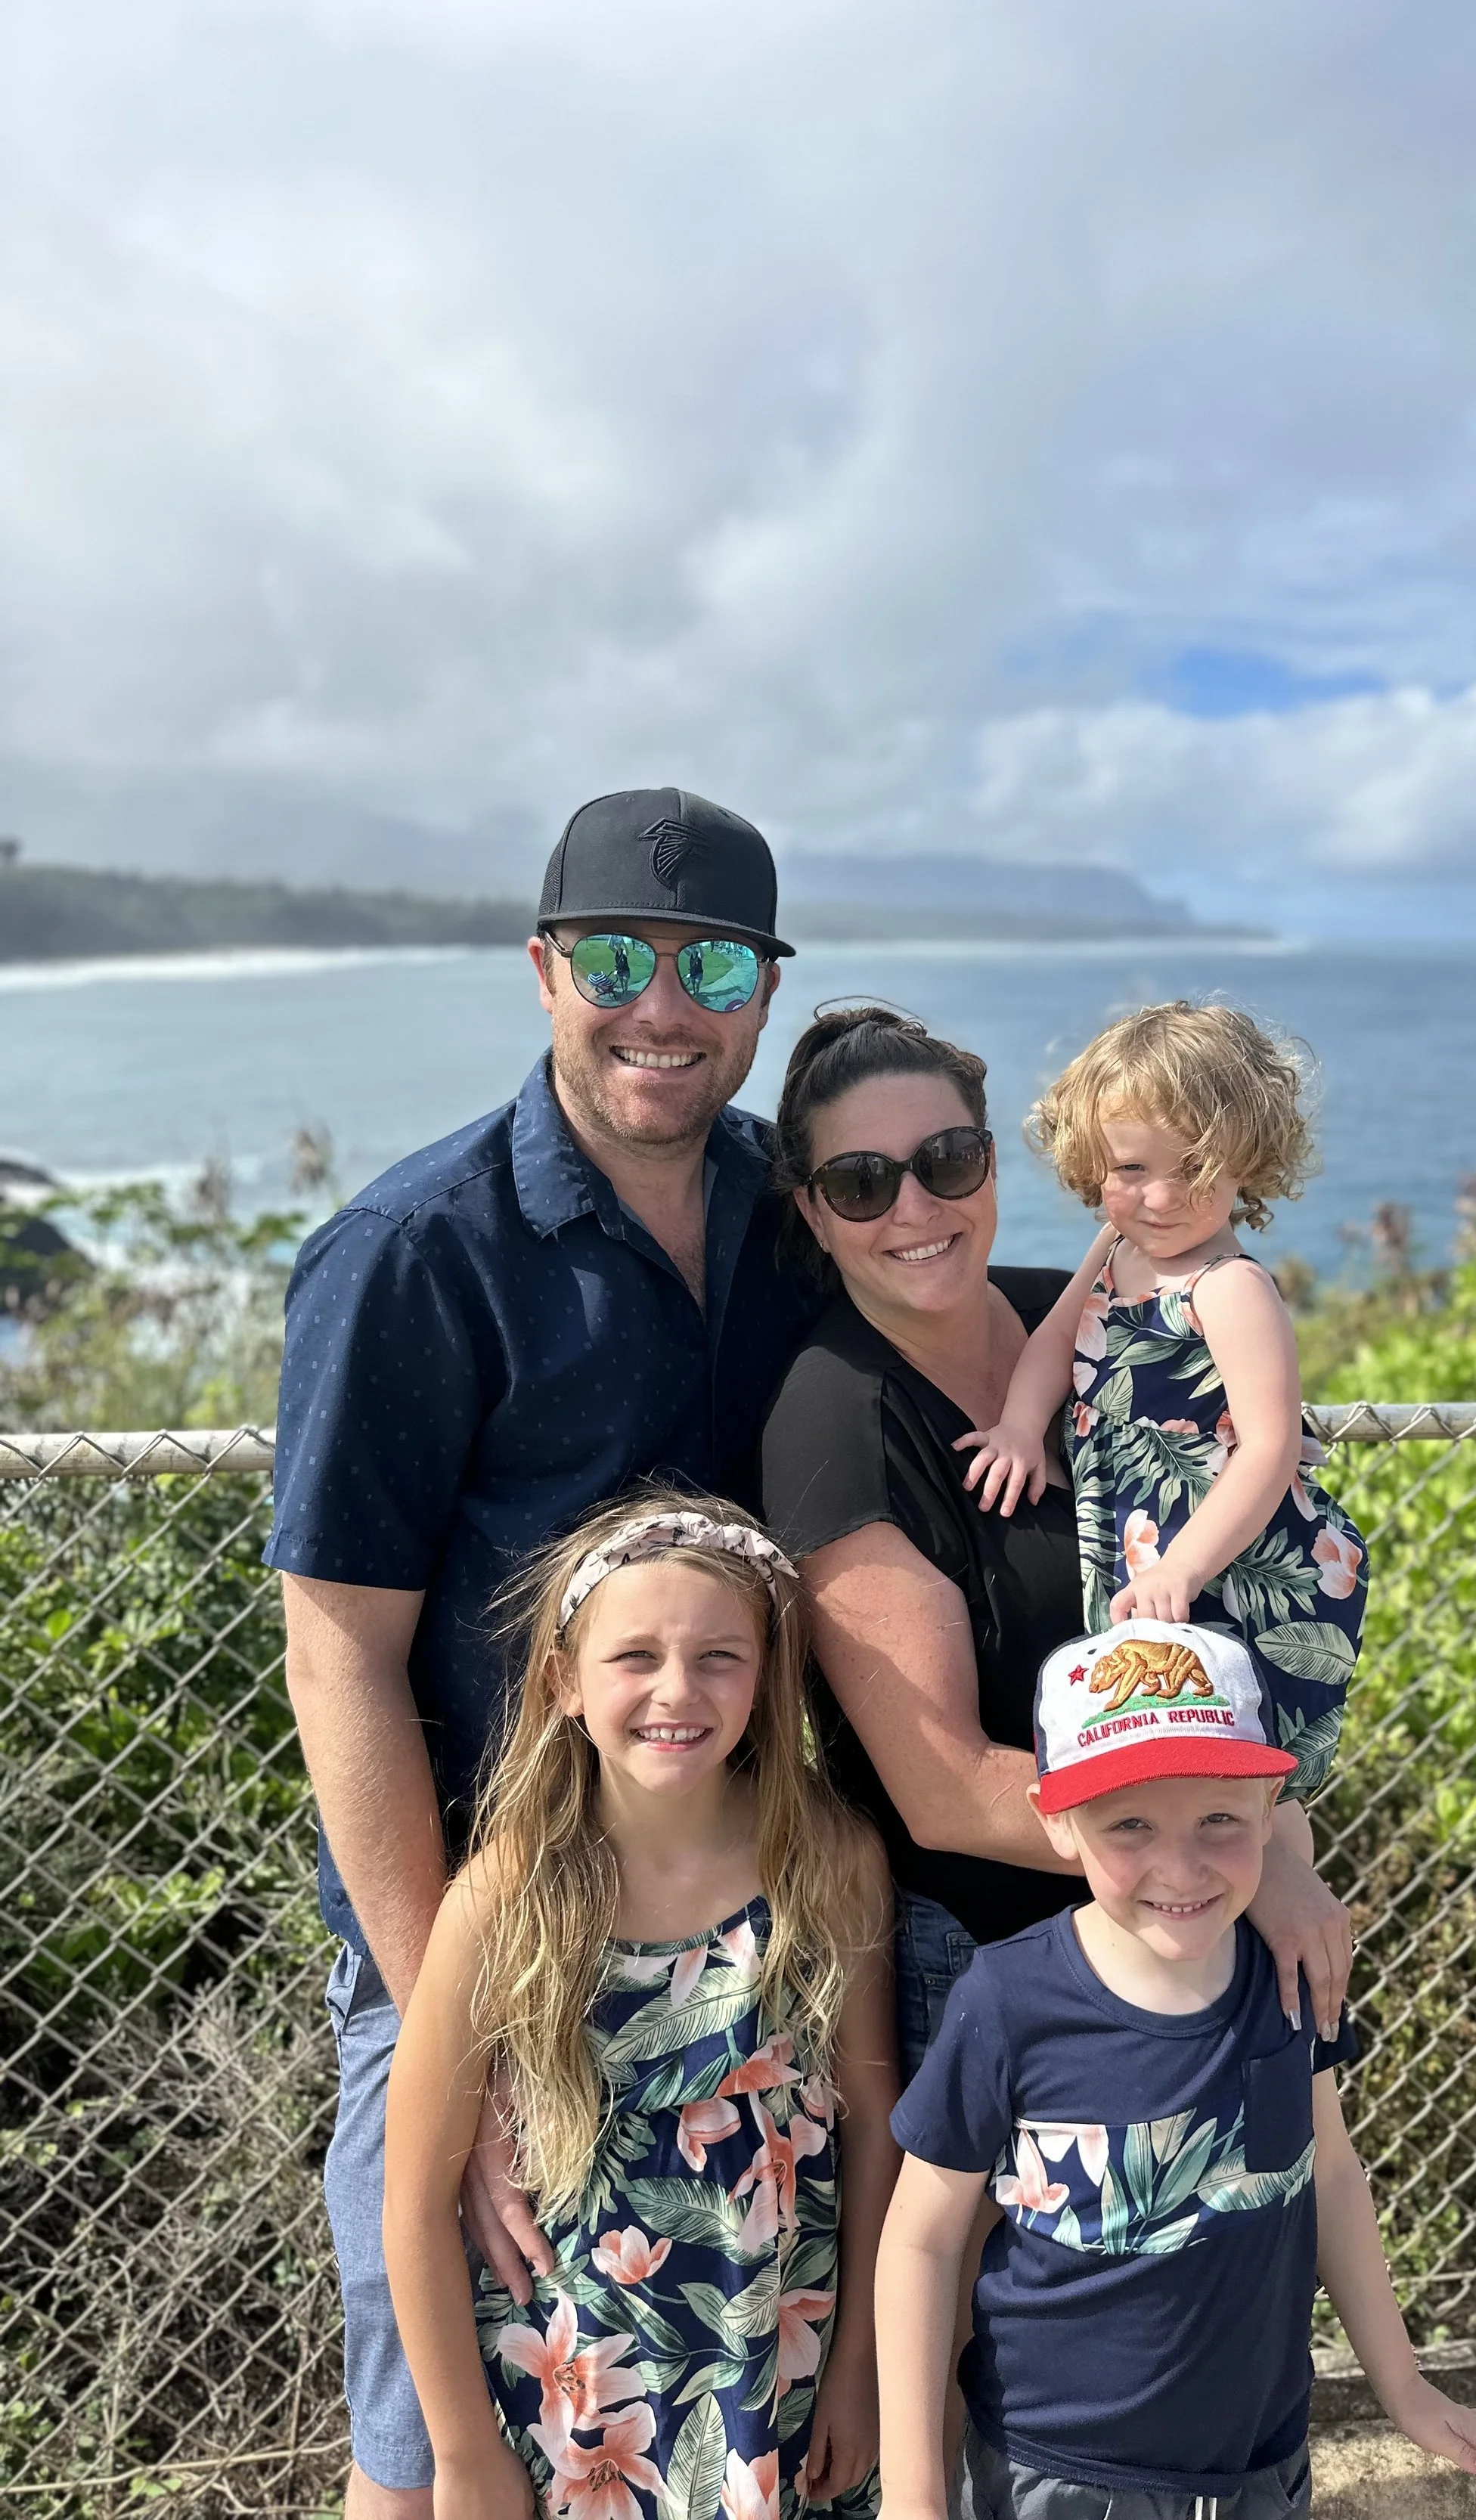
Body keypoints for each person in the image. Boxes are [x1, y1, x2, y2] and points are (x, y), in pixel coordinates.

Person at [265, 789, 826, 2515]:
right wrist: (477, 2024)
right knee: (430, 2415)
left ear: (763, 993)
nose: (662, 1003)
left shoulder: (800, 1212)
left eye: (712, 961)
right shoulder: (414, 1253)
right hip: (474, 1916)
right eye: (616, 957)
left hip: (742, 1899)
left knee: (728, 2391)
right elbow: (342, 1660)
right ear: (544, 969)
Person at [759, 1009, 1354, 2084]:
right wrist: (1240, 1861)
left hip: (1177, 1926)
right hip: (1006, 1966)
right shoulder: (835, 1419)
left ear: (991, 1163)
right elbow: (944, 1790)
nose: (915, 1206)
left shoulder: (1094, 1315)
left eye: (947, 1160)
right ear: (813, 1208)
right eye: (860, 1182)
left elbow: (1243, 1621)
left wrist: (1263, 1843)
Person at [876, 1620, 1476, 2520]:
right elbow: (922, 2240)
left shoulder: (1289, 1975)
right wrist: (914, 2492)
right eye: (1130, 1825)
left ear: (1270, 1814)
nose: (1179, 1864)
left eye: (1219, 1820)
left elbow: (1333, 2175)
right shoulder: (1007, 2000)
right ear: (1058, 1822)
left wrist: (1405, 2387)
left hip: (1260, 2470)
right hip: (1058, 2478)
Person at [383, 1496, 898, 2520]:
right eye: (635, 1658)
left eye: (719, 1656)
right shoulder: (505, 1898)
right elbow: (411, 2204)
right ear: (562, 1681)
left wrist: (861, 2370)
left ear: (766, 1673)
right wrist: (463, 2452)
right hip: (574, 2416)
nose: (678, 1690)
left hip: (777, 2389)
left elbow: (879, 2137)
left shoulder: (828, 1865)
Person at [955, 1000, 1368, 1799]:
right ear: (1093, 1167)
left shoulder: (1229, 1288)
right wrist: (1016, 1425)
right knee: (1156, 1756)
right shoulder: (1116, 1248)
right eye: (1133, 1170)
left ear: (1245, 1156)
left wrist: (1183, 1567)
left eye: (1194, 1167)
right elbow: (1057, 1334)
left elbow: (1269, 1447)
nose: (1162, 1196)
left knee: (1226, 1766)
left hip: (1226, 1561)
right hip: (1143, 1547)